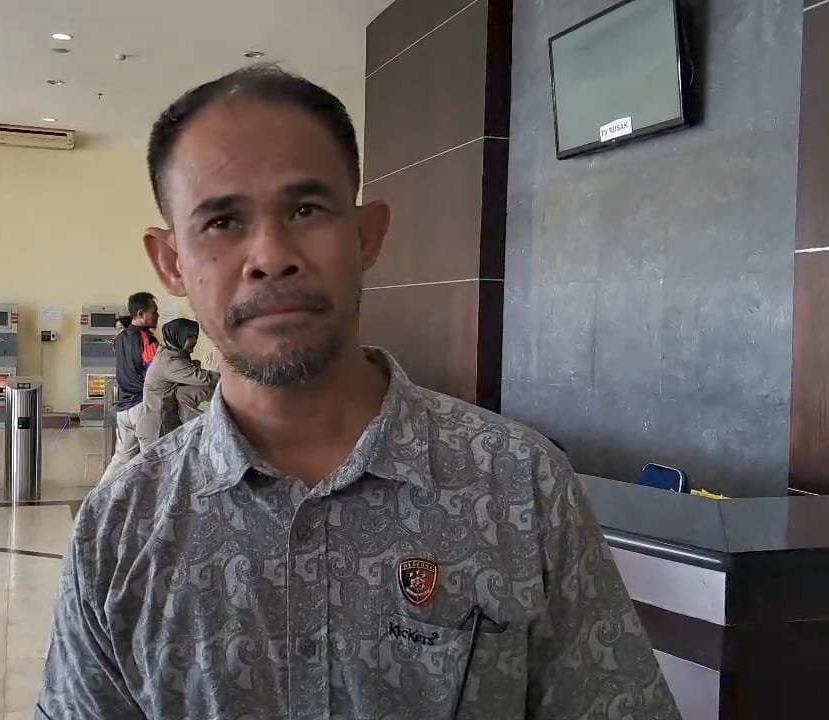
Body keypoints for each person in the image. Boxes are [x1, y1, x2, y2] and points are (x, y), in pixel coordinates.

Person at [38, 66, 679, 719]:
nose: (271, 256)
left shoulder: (520, 487)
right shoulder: (121, 529)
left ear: (366, 234)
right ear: (171, 262)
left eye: (305, 210)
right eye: (223, 221)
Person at [97, 292, 158, 484]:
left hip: (123, 407)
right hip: (142, 406)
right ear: (141, 314)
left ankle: (99, 495)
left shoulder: (120, 338)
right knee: (152, 459)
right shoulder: (148, 340)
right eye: (154, 312)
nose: (157, 316)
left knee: (120, 459)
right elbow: (155, 373)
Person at [137, 318, 218, 446]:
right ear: (180, 336)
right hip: (156, 432)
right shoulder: (169, 362)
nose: (195, 341)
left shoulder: (173, 355)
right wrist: (233, 378)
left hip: (165, 427)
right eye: (192, 337)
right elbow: (204, 378)